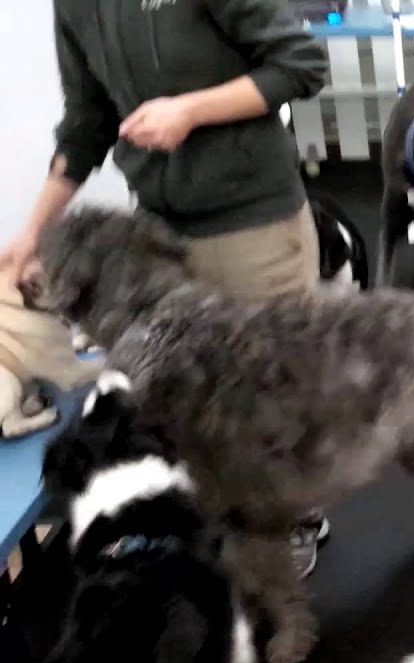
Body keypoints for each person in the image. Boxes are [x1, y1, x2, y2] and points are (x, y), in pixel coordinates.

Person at [0, 0, 332, 577]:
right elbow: (86, 121)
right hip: (158, 236)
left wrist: (191, 111)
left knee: (274, 395)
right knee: (191, 403)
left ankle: (298, 522)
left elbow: (301, 64)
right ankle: (228, 524)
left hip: (252, 220)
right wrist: (32, 233)